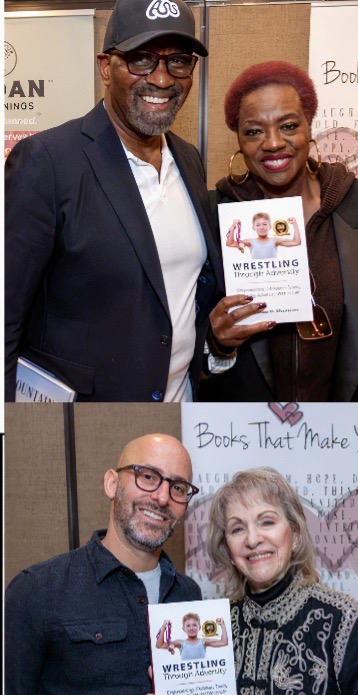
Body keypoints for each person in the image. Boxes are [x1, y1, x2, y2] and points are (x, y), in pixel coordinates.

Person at [4, 0, 220, 402]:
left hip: (180, 407)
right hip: (88, 419)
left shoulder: (189, 159)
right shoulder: (47, 161)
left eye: (178, 61)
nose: (162, 79)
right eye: (141, 59)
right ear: (106, 67)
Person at [140, 467, 358, 695]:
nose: (252, 539)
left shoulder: (340, 617)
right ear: (228, 549)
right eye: (237, 528)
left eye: (267, 522)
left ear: (294, 534)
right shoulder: (222, 621)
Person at [4, 434, 204, 695]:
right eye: (148, 476)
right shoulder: (38, 591)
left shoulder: (189, 597)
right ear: (112, 483)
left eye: (178, 488)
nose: (162, 497)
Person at [201, 61, 358, 403]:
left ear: (310, 127)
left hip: (348, 421)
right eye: (254, 131)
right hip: (246, 423)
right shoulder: (211, 215)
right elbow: (179, 325)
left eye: (289, 126)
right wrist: (215, 343)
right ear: (239, 140)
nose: (273, 143)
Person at [227, 211, 302, 257]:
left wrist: (294, 224)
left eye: (265, 224)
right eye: (258, 225)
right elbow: (230, 243)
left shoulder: (275, 241)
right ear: (253, 228)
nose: (262, 227)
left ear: (270, 226)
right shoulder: (250, 242)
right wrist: (233, 226)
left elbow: (296, 242)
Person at [155, 612, 228, 659]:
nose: (191, 628)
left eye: (194, 625)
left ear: (199, 627)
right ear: (183, 629)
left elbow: (224, 642)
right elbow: (159, 645)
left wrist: (222, 625)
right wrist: (163, 627)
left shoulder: (203, 642)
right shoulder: (180, 643)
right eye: (188, 626)